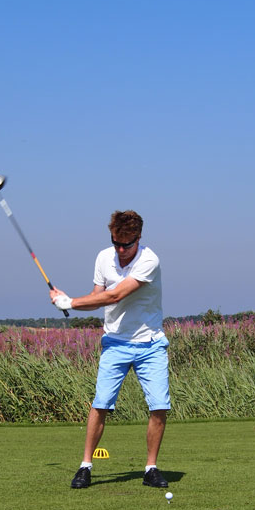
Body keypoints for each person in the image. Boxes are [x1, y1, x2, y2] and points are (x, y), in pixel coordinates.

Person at [50, 210, 170, 489]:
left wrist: (71, 303)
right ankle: (85, 466)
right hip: (115, 343)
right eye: (116, 242)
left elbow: (115, 295)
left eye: (127, 244)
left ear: (138, 238)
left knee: (159, 406)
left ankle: (151, 469)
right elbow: (97, 297)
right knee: (101, 404)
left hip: (151, 345)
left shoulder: (149, 260)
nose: (120, 250)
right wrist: (67, 301)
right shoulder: (104, 257)